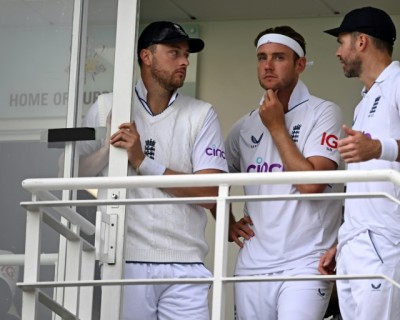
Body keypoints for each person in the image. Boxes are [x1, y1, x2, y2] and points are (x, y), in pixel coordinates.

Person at [76, 21, 228, 320]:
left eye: (186, 53)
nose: (184, 61)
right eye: (174, 52)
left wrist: (143, 162)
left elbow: (212, 192)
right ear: (146, 57)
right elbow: (69, 174)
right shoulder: (107, 106)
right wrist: (108, 149)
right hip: (123, 259)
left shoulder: (202, 113)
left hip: (186, 261)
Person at [318, 7, 400, 320]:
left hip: (386, 245)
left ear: (361, 42)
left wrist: (376, 147)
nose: (337, 52)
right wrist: (344, 240)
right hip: (355, 246)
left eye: (341, 42)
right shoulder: (365, 101)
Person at [226, 25, 343, 320]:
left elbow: (311, 185)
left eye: (279, 57)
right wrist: (227, 222)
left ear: (300, 64)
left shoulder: (324, 112)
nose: (267, 65)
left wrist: (277, 126)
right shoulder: (244, 125)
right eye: (262, 57)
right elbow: (213, 178)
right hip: (252, 264)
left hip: (306, 262)